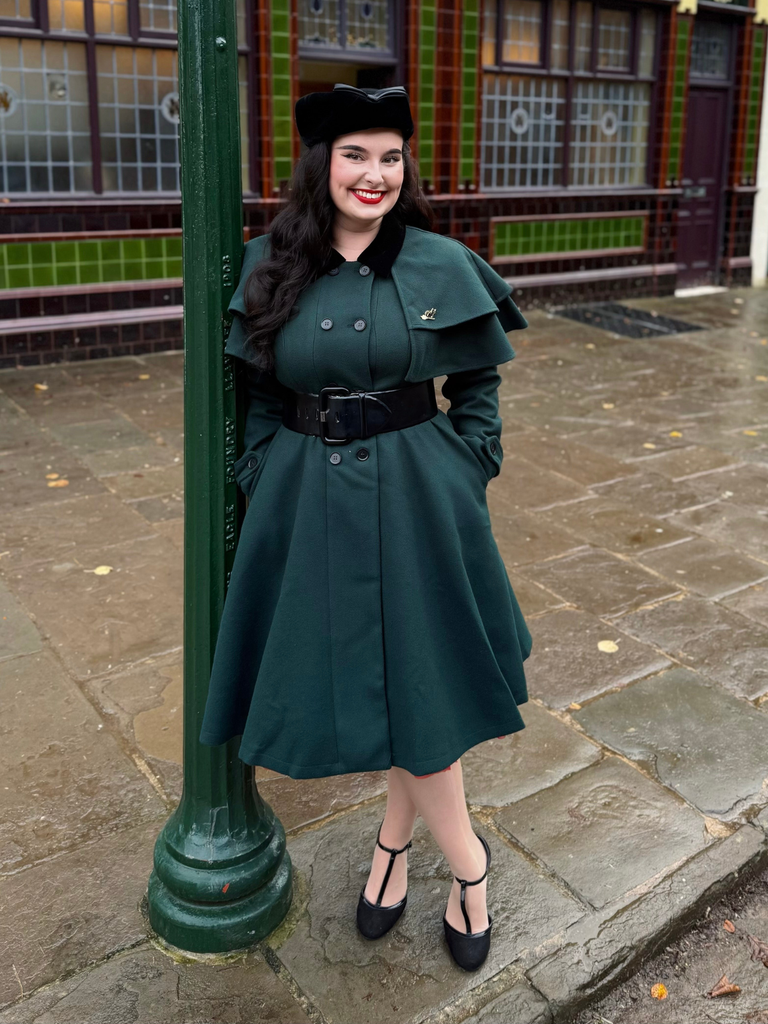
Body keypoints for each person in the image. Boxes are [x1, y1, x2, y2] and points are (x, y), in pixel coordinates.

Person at [199, 83, 533, 971]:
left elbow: (479, 386)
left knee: (419, 682)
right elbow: (259, 393)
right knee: (390, 683)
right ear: (323, 164)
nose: (375, 174)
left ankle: (464, 866)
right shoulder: (269, 264)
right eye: (356, 155)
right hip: (308, 503)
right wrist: (266, 470)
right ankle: (396, 847)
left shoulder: (437, 262)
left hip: (423, 502)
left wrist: (469, 466)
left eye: (390, 156)